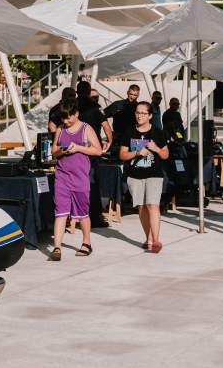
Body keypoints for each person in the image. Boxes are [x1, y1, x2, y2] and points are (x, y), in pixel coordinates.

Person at [51, 98, 102, 260]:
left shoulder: (86, 128)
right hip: (61, 176)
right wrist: (61, 151)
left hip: (80, 178)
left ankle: (86, 243)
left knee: (82, 213)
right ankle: (57, 248)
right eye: (63, 118)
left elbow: (98, 150)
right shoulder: (61, 128)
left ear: (76, 114)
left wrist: (78, 148)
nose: (66, 121)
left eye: (68, 118)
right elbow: (53, 150)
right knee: (60, 213)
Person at [118, 101, 170, 252]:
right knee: (141, 207)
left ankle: (156, 240)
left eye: (143, 113)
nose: (139, 116)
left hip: (154, 174)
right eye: (137, 113)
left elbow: (166, 155)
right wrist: (137, 152)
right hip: (134, 175)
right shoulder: (129, 132)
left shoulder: (157, 133)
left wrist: (157, 149)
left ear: (150, 115)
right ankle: (148, 237)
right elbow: (122, 154)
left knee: (152, 204)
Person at [76, 81, 112, 228]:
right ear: (89, 91)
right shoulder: (94, 107)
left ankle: (76, 214)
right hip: (91, 152)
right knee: (92, 183)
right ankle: (93, 216)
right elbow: (105, 125)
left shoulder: (72, 106)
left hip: (74, 150)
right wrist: (109, 140)